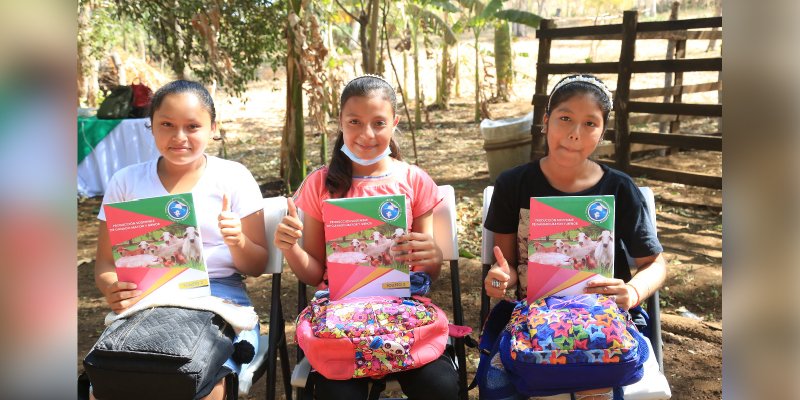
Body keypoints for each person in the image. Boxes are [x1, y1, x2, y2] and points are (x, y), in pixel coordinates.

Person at [274, 74, 459, 400]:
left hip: (404, 315)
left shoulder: (414, 180)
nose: (367, 134)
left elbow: (429, 272)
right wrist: (290, 249)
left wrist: (433, 257)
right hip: (340, 323)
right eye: (355, 122)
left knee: (440, 385)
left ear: (394, 123)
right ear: (341, 123)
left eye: (378, 122)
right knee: (338, 395)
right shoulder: (321, 184)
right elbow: (314, 274)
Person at [483, 74, 667, 400]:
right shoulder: (512, 184)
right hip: (533, 318)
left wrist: (633, 292)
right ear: (545, 121)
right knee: (500, 384)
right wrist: (501, 278)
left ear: (602, 131)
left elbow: (655, 264)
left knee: (598, 382)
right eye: (565, 118)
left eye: (590, 124)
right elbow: (507, 267)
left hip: (607, 316)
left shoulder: (620, 188)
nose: (574, 133)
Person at [92, 80, 269, 400]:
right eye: (167, 125)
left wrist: (238, 241)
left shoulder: (234, 178)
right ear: (151, 126)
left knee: (204, 385)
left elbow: (256, 266)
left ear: (213, 128)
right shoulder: (126, 182)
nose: (179, 137)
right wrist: (111, 288)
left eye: (193, 126)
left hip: (222, 302)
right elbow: (105, 263)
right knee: (107, 383)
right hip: (147, 304)